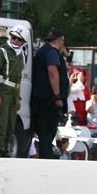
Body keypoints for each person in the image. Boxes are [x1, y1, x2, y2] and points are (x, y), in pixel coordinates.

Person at [0, 26, 29, 157]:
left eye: (19, 39)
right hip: (3, 90)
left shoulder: (21, 54)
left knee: (11, 125)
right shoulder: (2, 52)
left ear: (23, 41)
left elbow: (19, 77)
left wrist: (18, 98)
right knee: (1, 123)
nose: (15, 41)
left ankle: (5, 149)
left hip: (14, 92)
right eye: (13, 37)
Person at [31, 29, 69, 159]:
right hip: (49, 100)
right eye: (63, 40)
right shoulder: (51, 53)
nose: (63, 43)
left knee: (44, 130)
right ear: (58, 40)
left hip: (40, 98)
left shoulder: (42, 51)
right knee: (48, 130)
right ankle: (46, 156)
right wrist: (57, 96)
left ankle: (45, 153)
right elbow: (53, 73)